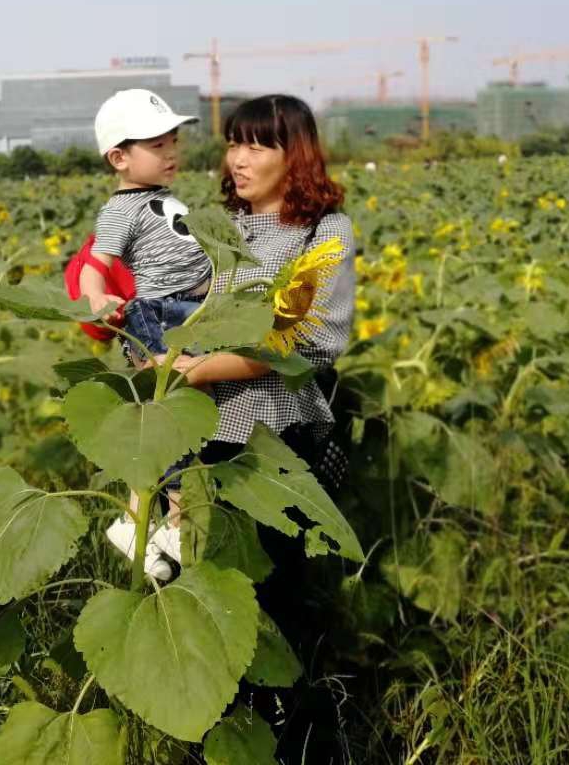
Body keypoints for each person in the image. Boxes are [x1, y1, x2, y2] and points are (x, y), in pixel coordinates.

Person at [169, 93, 357, 760]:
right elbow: (163, 299)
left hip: (273, 441)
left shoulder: (323, 233)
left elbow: (302, 336)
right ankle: (207, 735)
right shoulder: (217, 227)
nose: (239, 158)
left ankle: (294, 741)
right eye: (233, 143)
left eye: (258, 145)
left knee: (273, 612)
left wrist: (202, 368)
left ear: (295, 154)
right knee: (196, 599)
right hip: (198, 440)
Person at [77, 88, 215, 580]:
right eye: (157, 145)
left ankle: (137, 526)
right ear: (119, 157)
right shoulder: (119, 211)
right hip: (159, 317)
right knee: (173, 426)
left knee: (170, 425)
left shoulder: (159, 197)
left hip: (189, 309)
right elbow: (97, 266)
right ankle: (171, 526)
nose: (172, 151)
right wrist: (98, 298)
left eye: (173, 140)